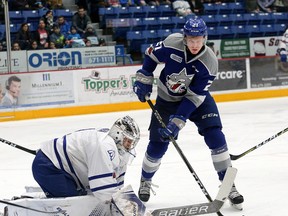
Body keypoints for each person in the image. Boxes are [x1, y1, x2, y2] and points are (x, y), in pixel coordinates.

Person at [133, 17, 244, 210]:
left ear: (204, 37)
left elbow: (194, 97)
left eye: (198, 39)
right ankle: (145, 180)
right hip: (167, 100)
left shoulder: (209, 62)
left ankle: (229, 186)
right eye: (191, 39)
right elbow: (151, 55)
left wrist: (178, 121)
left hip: (197, 101)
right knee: (158, 144)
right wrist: (144, 76)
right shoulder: (171, 43)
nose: (194, 44)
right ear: (184, 37)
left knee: (215, 136)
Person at [32, 116, 140, 202]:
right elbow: (103, 191)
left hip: (59, 167)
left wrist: (123, 203)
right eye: (128, 141)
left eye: (131, 142)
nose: (129, 146)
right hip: (49, 166)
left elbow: (117, 188)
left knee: (84, 200)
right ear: (118, 134)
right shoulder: (104, 146)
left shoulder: (118, 151)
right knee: (74, 205)